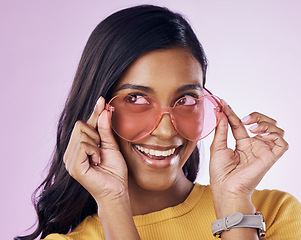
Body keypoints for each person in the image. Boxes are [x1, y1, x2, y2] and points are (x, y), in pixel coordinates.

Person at [16, 4, 301, 240]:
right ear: (97, 107)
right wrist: (113, 204)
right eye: (136, 98)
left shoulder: (272, 212)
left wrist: (234, 207)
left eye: (187, 99)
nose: (166, 131)